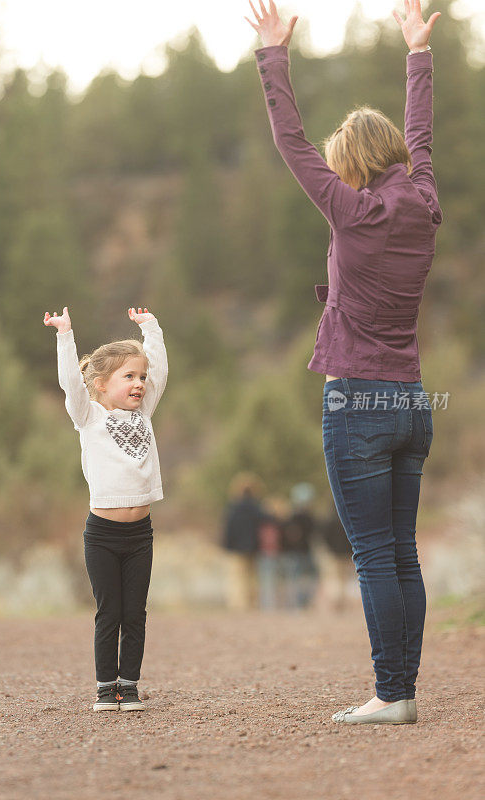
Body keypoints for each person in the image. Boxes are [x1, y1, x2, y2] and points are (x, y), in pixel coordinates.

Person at [245, 0, 441, 725]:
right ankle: (403, 690)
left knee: (373, 557)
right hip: (412, 404)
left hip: (357, 403)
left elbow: (289, 140)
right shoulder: (422, 199)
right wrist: (417, 55)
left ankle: (392, 695)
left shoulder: (353, 213)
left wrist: (273, 55)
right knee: (403, 554)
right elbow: (420, 139)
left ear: (351, 167)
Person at [43, 305, 167, 712]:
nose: (139, 384)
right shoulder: (88, 417)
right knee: (109, 612)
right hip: (103, 534)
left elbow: (160, 371)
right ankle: (104, 688)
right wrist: (65, 335)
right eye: (128, 377)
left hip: (140, 535)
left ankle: (128, 687)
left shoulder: (144, 413)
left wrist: (151, 329)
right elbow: (70, 386)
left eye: (141, 377)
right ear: (100, 384)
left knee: (136, 613)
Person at [222, 472, 266, 609]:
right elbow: (267, 520)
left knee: (237, 578)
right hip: (253, 547)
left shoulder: (233, 508)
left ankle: (239, 605)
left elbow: (228, 529)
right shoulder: (255, 507)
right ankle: (253, 605)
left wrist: (227, 546)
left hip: (236, 548)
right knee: (253, 577)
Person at [280, 484, 319, 609]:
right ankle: (300, 601)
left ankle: (299, 601)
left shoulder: (292, 516)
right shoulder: (307, 517)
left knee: (297, 578)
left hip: (298, 552)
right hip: (301, 551)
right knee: (306, 576)